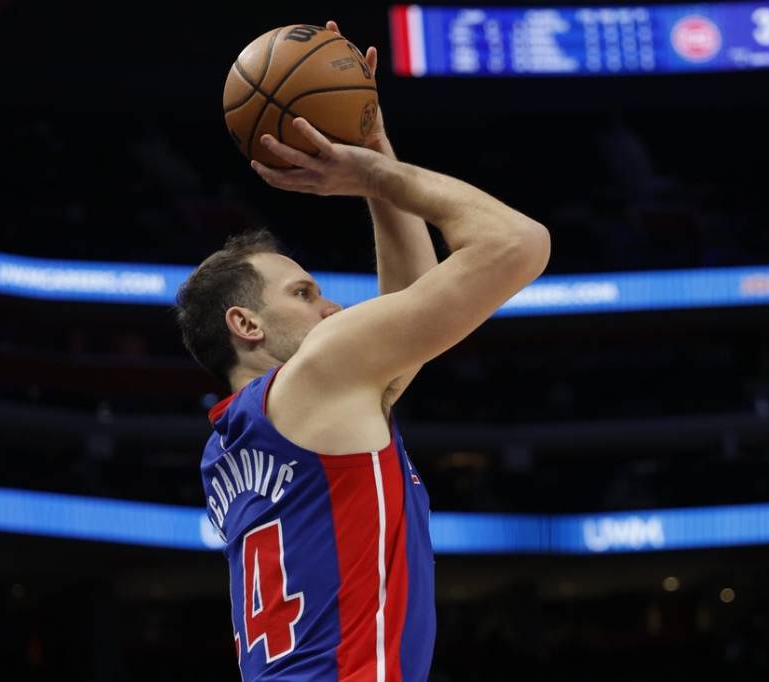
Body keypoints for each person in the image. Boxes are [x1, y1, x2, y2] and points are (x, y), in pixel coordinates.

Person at [173, 21, 550, 682]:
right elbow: (519, 243)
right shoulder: (318, 375)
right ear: (247, 324)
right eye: (303, 292)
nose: (333, 309)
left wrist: (378, 156)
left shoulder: (235, 440)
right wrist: (377, 173)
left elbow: (409, 318)